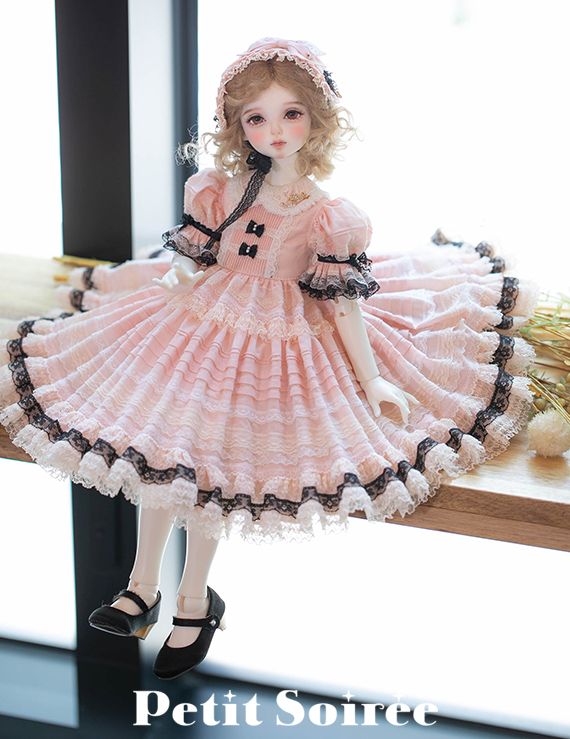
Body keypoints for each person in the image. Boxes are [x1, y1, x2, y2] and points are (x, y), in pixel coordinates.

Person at [0, 37, 539, 680]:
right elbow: (198, 253)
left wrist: (371, 378)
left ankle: (194, 601)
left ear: (316, 118)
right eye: (257, 117)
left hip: (277, 341)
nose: (275, 130)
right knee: (160, 450)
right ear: (238, 125)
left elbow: (343, 304)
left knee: (214, 470)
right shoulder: (221, 190)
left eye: (291, 113)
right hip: (200, 325)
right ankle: (142, 586)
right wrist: (180, 275)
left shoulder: (328, 215)